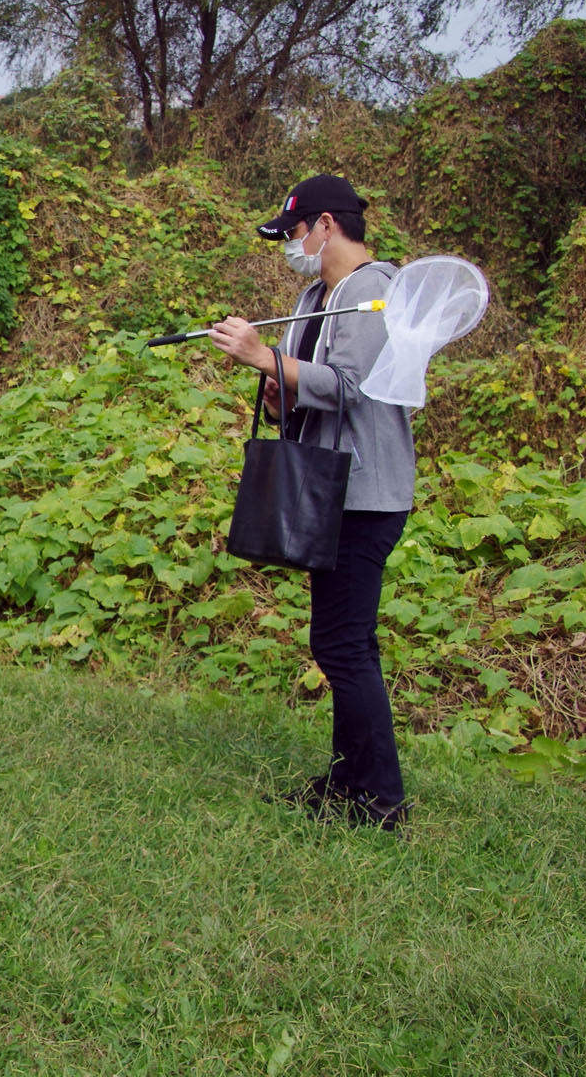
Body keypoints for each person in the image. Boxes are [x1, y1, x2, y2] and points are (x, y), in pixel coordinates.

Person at [207, 174, 415, 831]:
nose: (289, 244)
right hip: (329, 489)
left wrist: (263, 356)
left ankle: (380, 797)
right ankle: (349, 780)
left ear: (327, 224)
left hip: (366, 494)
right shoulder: (314, 294)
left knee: (343, 644)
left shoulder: (372, 291)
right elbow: (305, 385)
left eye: (293, 231)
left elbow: (352, 387)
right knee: (343, 643)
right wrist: (276, 388)